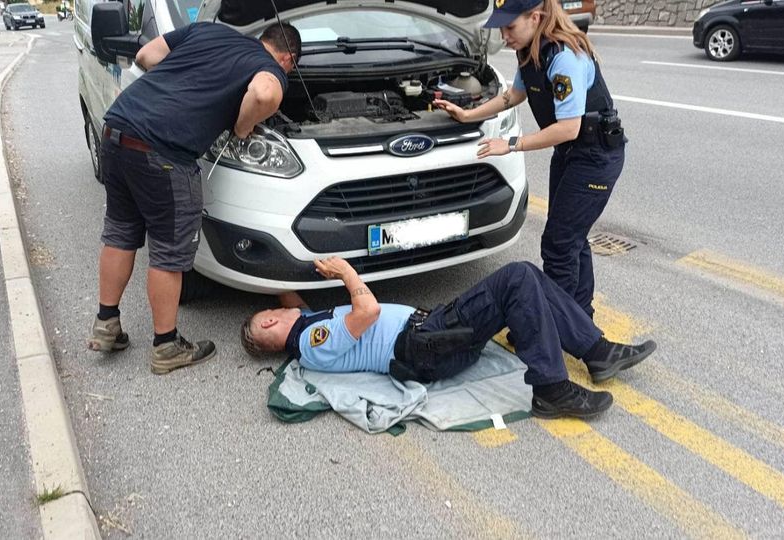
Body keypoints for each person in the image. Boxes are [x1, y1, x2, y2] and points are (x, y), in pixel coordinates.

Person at [86, 21, 302, 375]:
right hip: (163, 152)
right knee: (170, 251)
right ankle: (166, 345)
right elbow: (264, 95)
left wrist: (184, 83)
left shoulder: (207, 31)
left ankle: (106, 325)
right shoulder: (268, 68)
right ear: (288, 59)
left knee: (121, 232)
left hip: (117, 129)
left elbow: (145, 55)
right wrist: (243, 126)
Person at [240, 258, 656, 419]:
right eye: (271, 315)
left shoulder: (305, 328)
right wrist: (347, 273)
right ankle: (551, 388)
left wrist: (263, 275)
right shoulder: (312, 340)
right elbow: (366, 312)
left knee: (524, 276)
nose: (279, 309)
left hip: (430, 337)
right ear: (271, 329)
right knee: (516, 279)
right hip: (426, 347)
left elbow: (289, 299)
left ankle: (597, 351)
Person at [435, 0, 625, 320]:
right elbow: (513, 95)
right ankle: (581, 321)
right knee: (571, 240)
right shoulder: (530, 50)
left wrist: (510, 144)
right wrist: (468, 115)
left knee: (559, 246)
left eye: (510, 27)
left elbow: (567, 128)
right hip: (571, 154)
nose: (504, 36)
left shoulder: (564, 57)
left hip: (595, 156)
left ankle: (555, 328)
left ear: (535, 18)